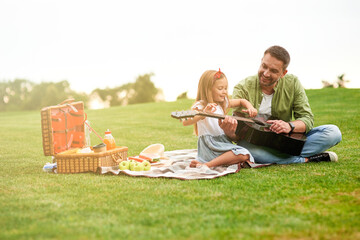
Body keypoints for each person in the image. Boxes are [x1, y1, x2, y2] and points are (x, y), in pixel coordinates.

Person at [220, 45, 342, 164]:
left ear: (283, 73)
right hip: (255, 144)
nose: (266, 74)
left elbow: (307, 119)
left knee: (333, 132)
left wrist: (289, 126)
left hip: (285, 141)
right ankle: (306, 159)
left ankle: (274, 157)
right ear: (261, 61)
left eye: (273, 71)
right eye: (264, 66)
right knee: (246, 149)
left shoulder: (293, 82)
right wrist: (230, 132)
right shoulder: (243, 87)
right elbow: (238, 134)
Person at [182, 69, 258, 168]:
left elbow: (241, 101)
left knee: (244, 154)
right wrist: (203, 114)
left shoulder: (223, 103)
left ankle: (210, 163)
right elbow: (185, 121)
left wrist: (250, 108)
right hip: (210, 144)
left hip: (222, 141)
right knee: (243, 153)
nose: (224, 92)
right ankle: (207, 165)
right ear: (208, 89)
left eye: (226, 88)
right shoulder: (201, 105)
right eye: (220, 88)